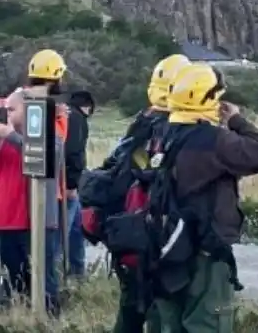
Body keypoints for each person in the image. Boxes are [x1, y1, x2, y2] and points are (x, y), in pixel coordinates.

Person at [152, 63, 258, 333]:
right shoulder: (215, 140)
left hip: (168, 248)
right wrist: (236, 121)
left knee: (170, 323)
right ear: (208, 99)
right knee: (209, 322)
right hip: (207, 250)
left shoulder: (162, 133)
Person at [93, 53, 190, 333]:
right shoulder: (169, 128)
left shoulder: (141, 122)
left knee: (132, 306)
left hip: (125, 228)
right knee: (159, 308)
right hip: (149, 231)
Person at [0, 48, 70, 316]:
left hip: (38, 221)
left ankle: (49, 321)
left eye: (12, 109)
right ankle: (19, 319)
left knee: (43, 281)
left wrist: (12, 135)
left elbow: (52, 156)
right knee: (16, 281)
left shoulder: (46, 129)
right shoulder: (4, 138)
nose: (7, 114)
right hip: (7, 221)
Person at [63, 90, 93, 279]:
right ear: (88, 107)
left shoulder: (68, 116)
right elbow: (74, 152)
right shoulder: (77, 119)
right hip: (69, 186)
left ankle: (77, 274)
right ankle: (73, 274)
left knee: (75, 230)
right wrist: (72, 184)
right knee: (67, 232)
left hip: (68, 182)